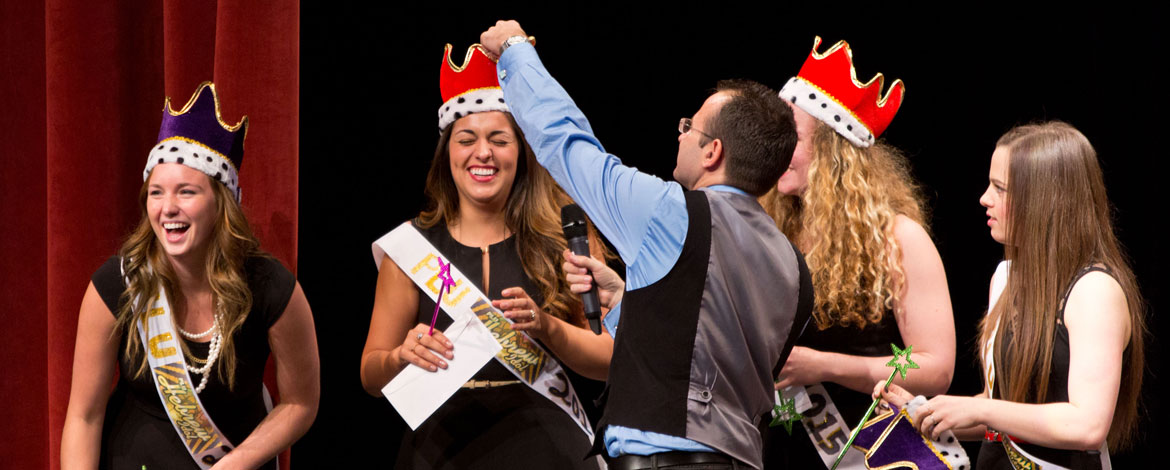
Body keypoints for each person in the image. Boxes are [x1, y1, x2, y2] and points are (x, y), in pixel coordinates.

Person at [481, 20, 805, 470]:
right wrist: (624, 301)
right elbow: (707, 347)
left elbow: (568, 145)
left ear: (712, 152)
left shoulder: (672, 212)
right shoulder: (794, 267)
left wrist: (515, 50)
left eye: (690, 126)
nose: (680, 134)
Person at [358, 43, 611, 469]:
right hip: (441, 452)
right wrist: (401, 357)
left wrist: (546, 327)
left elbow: (609, 360)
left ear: (521, 153)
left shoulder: (563, 238)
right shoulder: (410, 249)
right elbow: (371, 375)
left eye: (499, 139)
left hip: (548, 449)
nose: (483, 153)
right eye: (466, 139)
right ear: (447, 153)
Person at [60, 82, 320, 470]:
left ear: (222, 203)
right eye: (156, 193)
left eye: (186, 192)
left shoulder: (270, 287)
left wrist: (237, 463)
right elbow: (84, 417)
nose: (168, 209)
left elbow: (301, 403)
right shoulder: (116, 284)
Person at [879, 121, 1145, 469]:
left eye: (1000, 188)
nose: (984, 198)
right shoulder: (1005, 277)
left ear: (1045, 200)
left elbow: (1088, 425)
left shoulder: (1094, 290)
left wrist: (980, 408)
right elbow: (1003, 410)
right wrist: (929, 412)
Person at [757, 37, 956, 469]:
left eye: (792, 139)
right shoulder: (770, 227)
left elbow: (936, 367)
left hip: (864, 451)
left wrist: (824, 366)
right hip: (777, 449)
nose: (778, 152)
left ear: (833, 154)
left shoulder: (898, 238)